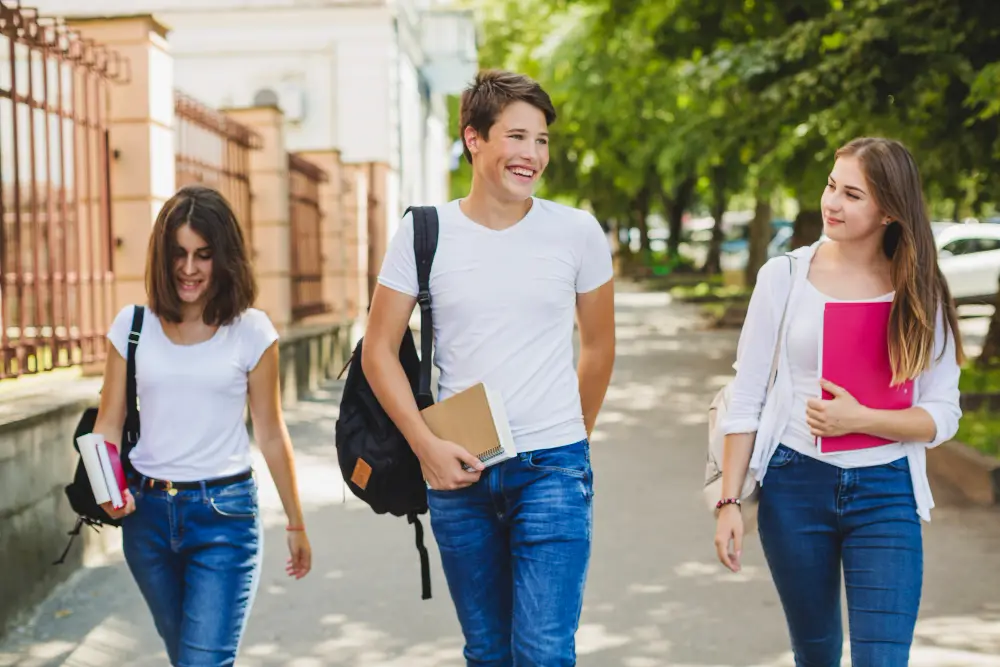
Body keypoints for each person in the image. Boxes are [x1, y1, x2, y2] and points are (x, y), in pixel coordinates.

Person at [362, 69, 616, 666]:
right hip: (460, 470)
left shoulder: (576, 233)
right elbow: (377, 349)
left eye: (543, 140)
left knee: (545, 651)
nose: (533, 154)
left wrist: (570, 437)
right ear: (474, 139)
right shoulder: (424, 232)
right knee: (487, 651)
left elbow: (599, 348)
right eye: (518, 136)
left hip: (552, 469)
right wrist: (425, 445)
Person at [714, 137, 963, 666]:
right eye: (832, 186)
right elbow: (748, 395)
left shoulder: (920, 292)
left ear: (890, 212)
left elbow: (944, 414)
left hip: (886, 491)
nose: (831, 203)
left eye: (852, 195)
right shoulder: (782, 278)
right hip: (795, 483)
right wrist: (729, 501)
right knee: (817, 653)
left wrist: (863, 419)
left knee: (882, 659)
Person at [92, 185, 312, 666]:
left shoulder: (252, 331)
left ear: (224, 258)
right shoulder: (131, 327)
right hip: (146, 519)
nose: (189, 268)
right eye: (179, 254)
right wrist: (109, 489)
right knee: (186, 658)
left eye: (203, 255)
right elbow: (108, 424)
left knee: (202, 663)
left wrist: (295, 521)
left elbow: (271, 432)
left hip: (224, 517)